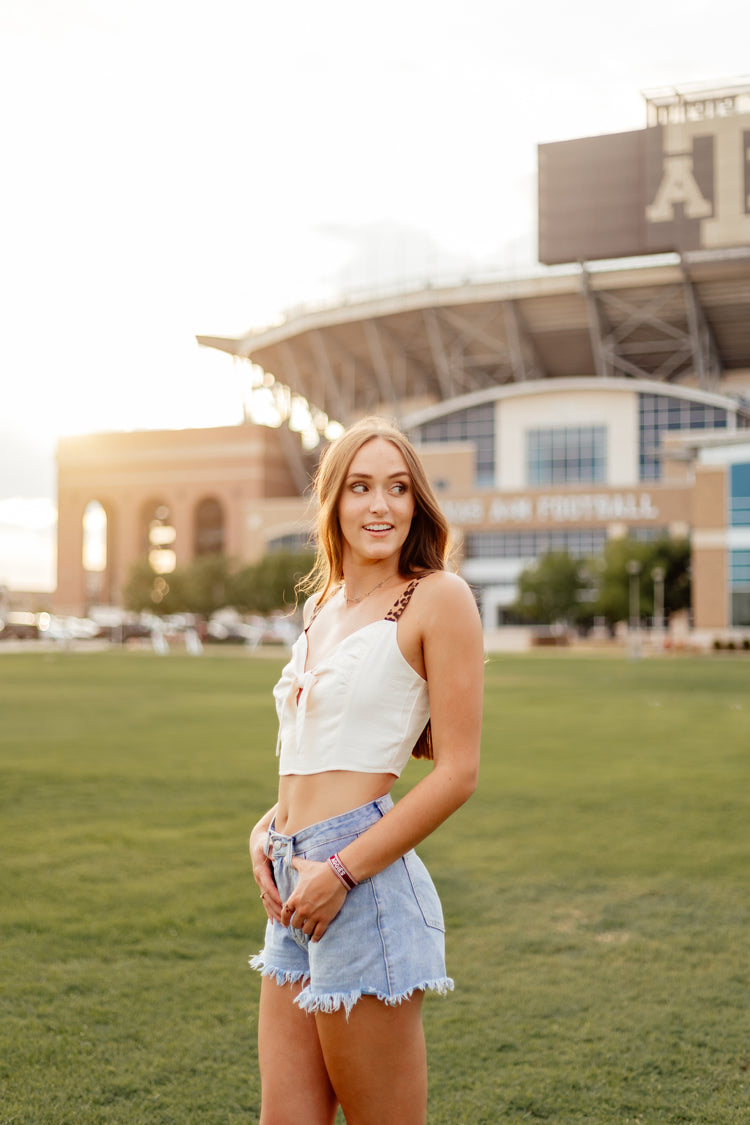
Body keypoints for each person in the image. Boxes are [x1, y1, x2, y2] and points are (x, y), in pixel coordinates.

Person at [248, 416, 484, 1125]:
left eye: (397, 487)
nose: (379, 505)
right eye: (360, 487)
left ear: (416, 503)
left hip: (361, 885)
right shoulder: (321, 607)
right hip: (292, 876)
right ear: (334, 502)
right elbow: (312, 753)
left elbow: (459, 771)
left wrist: (342, 870)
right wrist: (265, 829)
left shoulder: (439, 597)